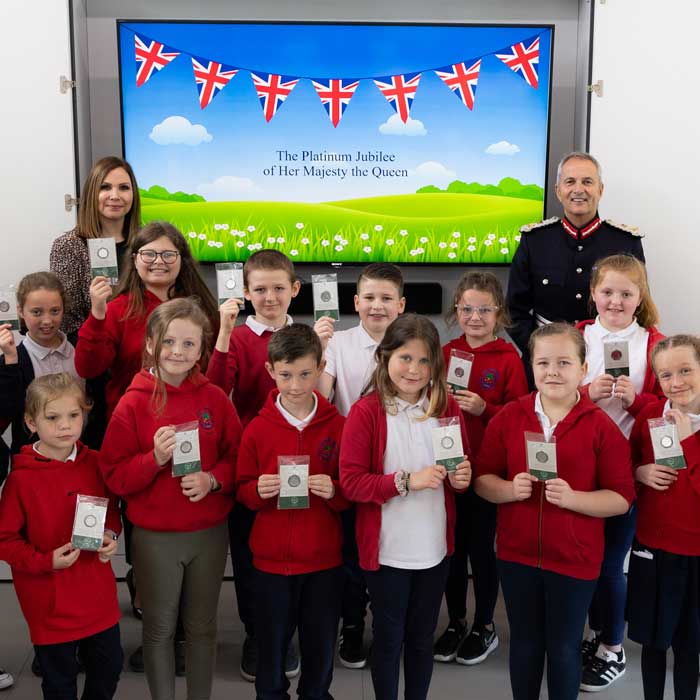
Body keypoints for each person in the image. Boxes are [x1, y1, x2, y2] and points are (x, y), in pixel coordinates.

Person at [475, 322, 635, 700]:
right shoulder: (510, 417)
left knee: (564, 648)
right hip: (517, 557)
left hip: (575, 560)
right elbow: (482, 479)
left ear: (583, 369)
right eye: (543, 362)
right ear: (532, 366)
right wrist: (508, 490)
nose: (552, 371)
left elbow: (622, 497)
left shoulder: (600, 427)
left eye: (564, 362)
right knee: (527, 645)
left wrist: (576, 499)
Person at [99, 298, 241, 700]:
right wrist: (154, 459)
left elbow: (239, 459)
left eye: (189, 344)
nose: (177, 352)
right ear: (150, 344)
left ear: (202, 350)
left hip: (209, 533)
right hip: (155, 536)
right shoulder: (133, 402)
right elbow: (114, 475)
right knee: (159, 629)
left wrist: (212, 480)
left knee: (202, 627)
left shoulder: (214, 399)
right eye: (169, 342)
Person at [340, 314, 472, 700]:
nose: (414, 369)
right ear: (384, 358)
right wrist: (405, 481)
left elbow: (458, 468)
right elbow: (350, 483)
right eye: (405, 358)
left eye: (424, 361)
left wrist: (462, 477)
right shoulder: (366, 413)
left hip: (433, 550)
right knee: (388, 639)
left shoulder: (445, 409)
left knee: (420, 638)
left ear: (436, 366)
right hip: (387, 553)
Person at [236, 323, 347, 700]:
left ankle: (316, 694)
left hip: (323, 562)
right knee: (271, 646)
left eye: (305, 374)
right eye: (285, 375)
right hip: (270, 564)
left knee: (319, 646)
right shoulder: (255, 429)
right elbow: (242, 492)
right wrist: (258, 490)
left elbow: (351, 491)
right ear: (270, 372)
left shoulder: (340, 426)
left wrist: (334, 490)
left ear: (321, 368)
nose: (296, 385)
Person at [206, 248, 301, 681]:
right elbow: (214, 388)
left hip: (301, 465)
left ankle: (289, 632)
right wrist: (224, 333)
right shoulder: (240, 339)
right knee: (249, 557)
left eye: (278, 288)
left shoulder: (307, 338)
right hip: (254, 468)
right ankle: (257, 634)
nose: (269, 297)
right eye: (259, 289)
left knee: (297, 552)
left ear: (294, 290)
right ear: (245, 292)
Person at [0, 373, 122, 699]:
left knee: (109, 667)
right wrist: (45, 561)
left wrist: (110, 534)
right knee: (59, 681)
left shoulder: (96, 464)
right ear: (30, 422)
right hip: (49, 602)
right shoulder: (20, 481)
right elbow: (6, 540)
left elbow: (111, 510)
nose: (64, 425)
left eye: (73, 415)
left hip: (97, 594)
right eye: (52, 418)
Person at [576, 254, 665, 691]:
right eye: (607, 292)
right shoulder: (576, 337)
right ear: (593, 293)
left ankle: (613, 646)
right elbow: (546, 393)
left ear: (639, 297)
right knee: (581, 562)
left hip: (626, 475)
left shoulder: (654, 344)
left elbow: (670, 414)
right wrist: (583, 393)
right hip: (575, 471)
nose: (615, 301)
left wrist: (637, 402)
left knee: (611, 565)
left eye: (626, 294)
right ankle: (592, 635)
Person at [434, 271, 528, 666]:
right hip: (450, 470)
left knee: (481, 552)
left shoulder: (509, 359)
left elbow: (522, 416)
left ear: (498, 314)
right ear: (456, 310)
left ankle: (484, 625)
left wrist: (483, 409)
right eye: (467, 308)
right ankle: (456, 621)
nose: (475, 317)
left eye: (484, 310)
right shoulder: (445, 352)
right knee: (451, 552)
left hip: (488, 471)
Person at [315, 262, 405, 668]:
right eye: (369, 298)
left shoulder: (413, 345)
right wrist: (318, 352)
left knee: (392, 553)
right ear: (355, 302)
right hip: (352, 466)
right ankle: (352, 626)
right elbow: (321, 397)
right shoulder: (338, 344)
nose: (377, 306)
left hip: (400, 465)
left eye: (387, 298)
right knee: (352, 554)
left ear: (401, 305)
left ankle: (390, 628)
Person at [507, 152, 646, 375]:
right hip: (546, 361)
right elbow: (514, 310)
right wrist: (539, 349)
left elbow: (641, 306)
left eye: (587, 182)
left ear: (600, 190)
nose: (578, 189)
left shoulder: (624, 242)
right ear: (558, 191)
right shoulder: (535, 240)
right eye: (570, 182)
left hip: (607, 361)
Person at [74, 220, 217, 419]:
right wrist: (97, 314)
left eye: (168, 255)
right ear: (134, 260)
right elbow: (87, 368)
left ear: (182, 260)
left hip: (191, 415)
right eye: (149, 254)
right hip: (133, 419)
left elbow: (215, 372)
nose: (158, 261)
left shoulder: (201, 310)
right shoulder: (117, 310)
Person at [627, 335, 700, 700]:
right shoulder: (649, 414)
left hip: (695, 555)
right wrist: (639, 473)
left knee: (690, 645)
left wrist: (687, 442)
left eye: (686, 370)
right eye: (666, 374)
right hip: (652, 549)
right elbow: (624, 465)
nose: (677, 382)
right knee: (653, 643)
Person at [50, 156, 141, 340]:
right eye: (105, 187)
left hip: (145, 351)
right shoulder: (69, 246)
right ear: (92, 193)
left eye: (124, 187)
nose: (115, 196)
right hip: (93, 351)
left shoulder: (146, 243)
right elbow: (68, 320)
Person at [0, 272, 79, 454]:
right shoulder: (12, 360)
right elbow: (7, 411)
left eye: (54, 311)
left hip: (82, 454)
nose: (47, 321)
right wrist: (10, 362)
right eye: (36, 312)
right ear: (20, 311)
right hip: (33, 458)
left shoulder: (80, 350)